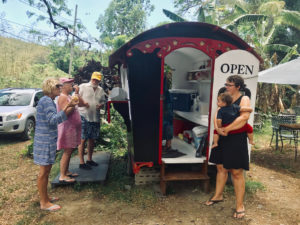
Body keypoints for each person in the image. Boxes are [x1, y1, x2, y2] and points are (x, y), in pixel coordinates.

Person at [206, 75, 252, 219]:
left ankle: (240, 205)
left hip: (236, 139)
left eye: (229, 85)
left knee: (237, 172)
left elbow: (244, 118)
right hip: (223, 138)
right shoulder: (224, 96)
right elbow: (217, 112)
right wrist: (217, 127)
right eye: (226, 84)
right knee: (220, 168)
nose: (226, 86)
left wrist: (227, 128)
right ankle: (218, 195)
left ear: (238, 86)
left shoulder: (244, 99)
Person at [33, 78, 78, 211]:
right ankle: (44, 203)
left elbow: (53, 118)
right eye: (57, 86)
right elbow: (53, 121)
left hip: (46, 140)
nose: (60, 88)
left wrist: (69, 106)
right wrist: (68, 107)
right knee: (44, 172)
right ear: (51, 88)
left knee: (46, 171)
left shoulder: (47, 100)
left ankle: (46, 198)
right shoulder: (46, 101)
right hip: (44, 141)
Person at [77, 71, 106, 170]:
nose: (95, 81)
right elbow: (75, 98)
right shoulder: (83, 86)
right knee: (82, 139)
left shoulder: (101, 90)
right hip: (83, 115)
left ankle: (89, 159)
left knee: (92, 139)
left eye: (97, 80)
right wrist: (83, 104)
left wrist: (101, 105)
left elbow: (103, 101)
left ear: (99, 80)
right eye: (94, 79)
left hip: (95, 117)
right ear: (91, 78)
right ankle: (81, 162)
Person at [57, 77, 82, 183]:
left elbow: (76, 102)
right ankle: (62, 175)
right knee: (67, 151)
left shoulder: (68, 96)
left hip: (72, 127)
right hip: (67, 128)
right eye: (70, 84)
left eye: (72, 83)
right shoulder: (62, 97)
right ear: (63, 86)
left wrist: (76, 95)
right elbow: (65, 113)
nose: (72, 85)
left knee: (70, 150)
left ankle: (66, 171)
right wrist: (72, 104)